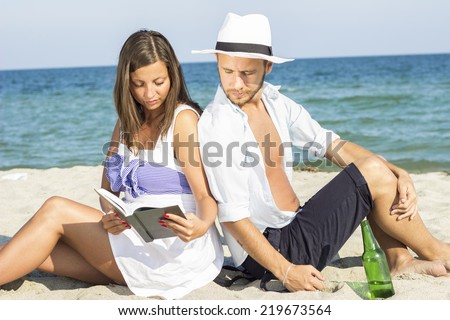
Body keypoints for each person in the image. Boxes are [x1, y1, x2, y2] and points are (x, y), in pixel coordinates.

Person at [193, 13, 450, 292]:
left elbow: (330, 143)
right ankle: (438, 251)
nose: (236, 84)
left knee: (373, 171)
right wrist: (287, 271)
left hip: (296, 228)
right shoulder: (218, 123)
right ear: (218, 62)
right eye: (227, 71)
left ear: (267, 67)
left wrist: (397, 171)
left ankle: (399, 259)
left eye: (247, 73)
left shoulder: (276, 102)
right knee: (371, 172)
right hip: (271, 254)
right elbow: (232, 218)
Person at [0, 30, 223, 299]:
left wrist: (200, 224)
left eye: (158, 82)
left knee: (55, 210)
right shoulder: (125, 124)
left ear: (173, 76)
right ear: (126, 82)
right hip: (131, 241)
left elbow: (204, 195)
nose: (149, 93)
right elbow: (108, 194)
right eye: (138, 84)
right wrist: (110, 217)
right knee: (33, 247)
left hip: (172, 250)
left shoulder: (183, 119)